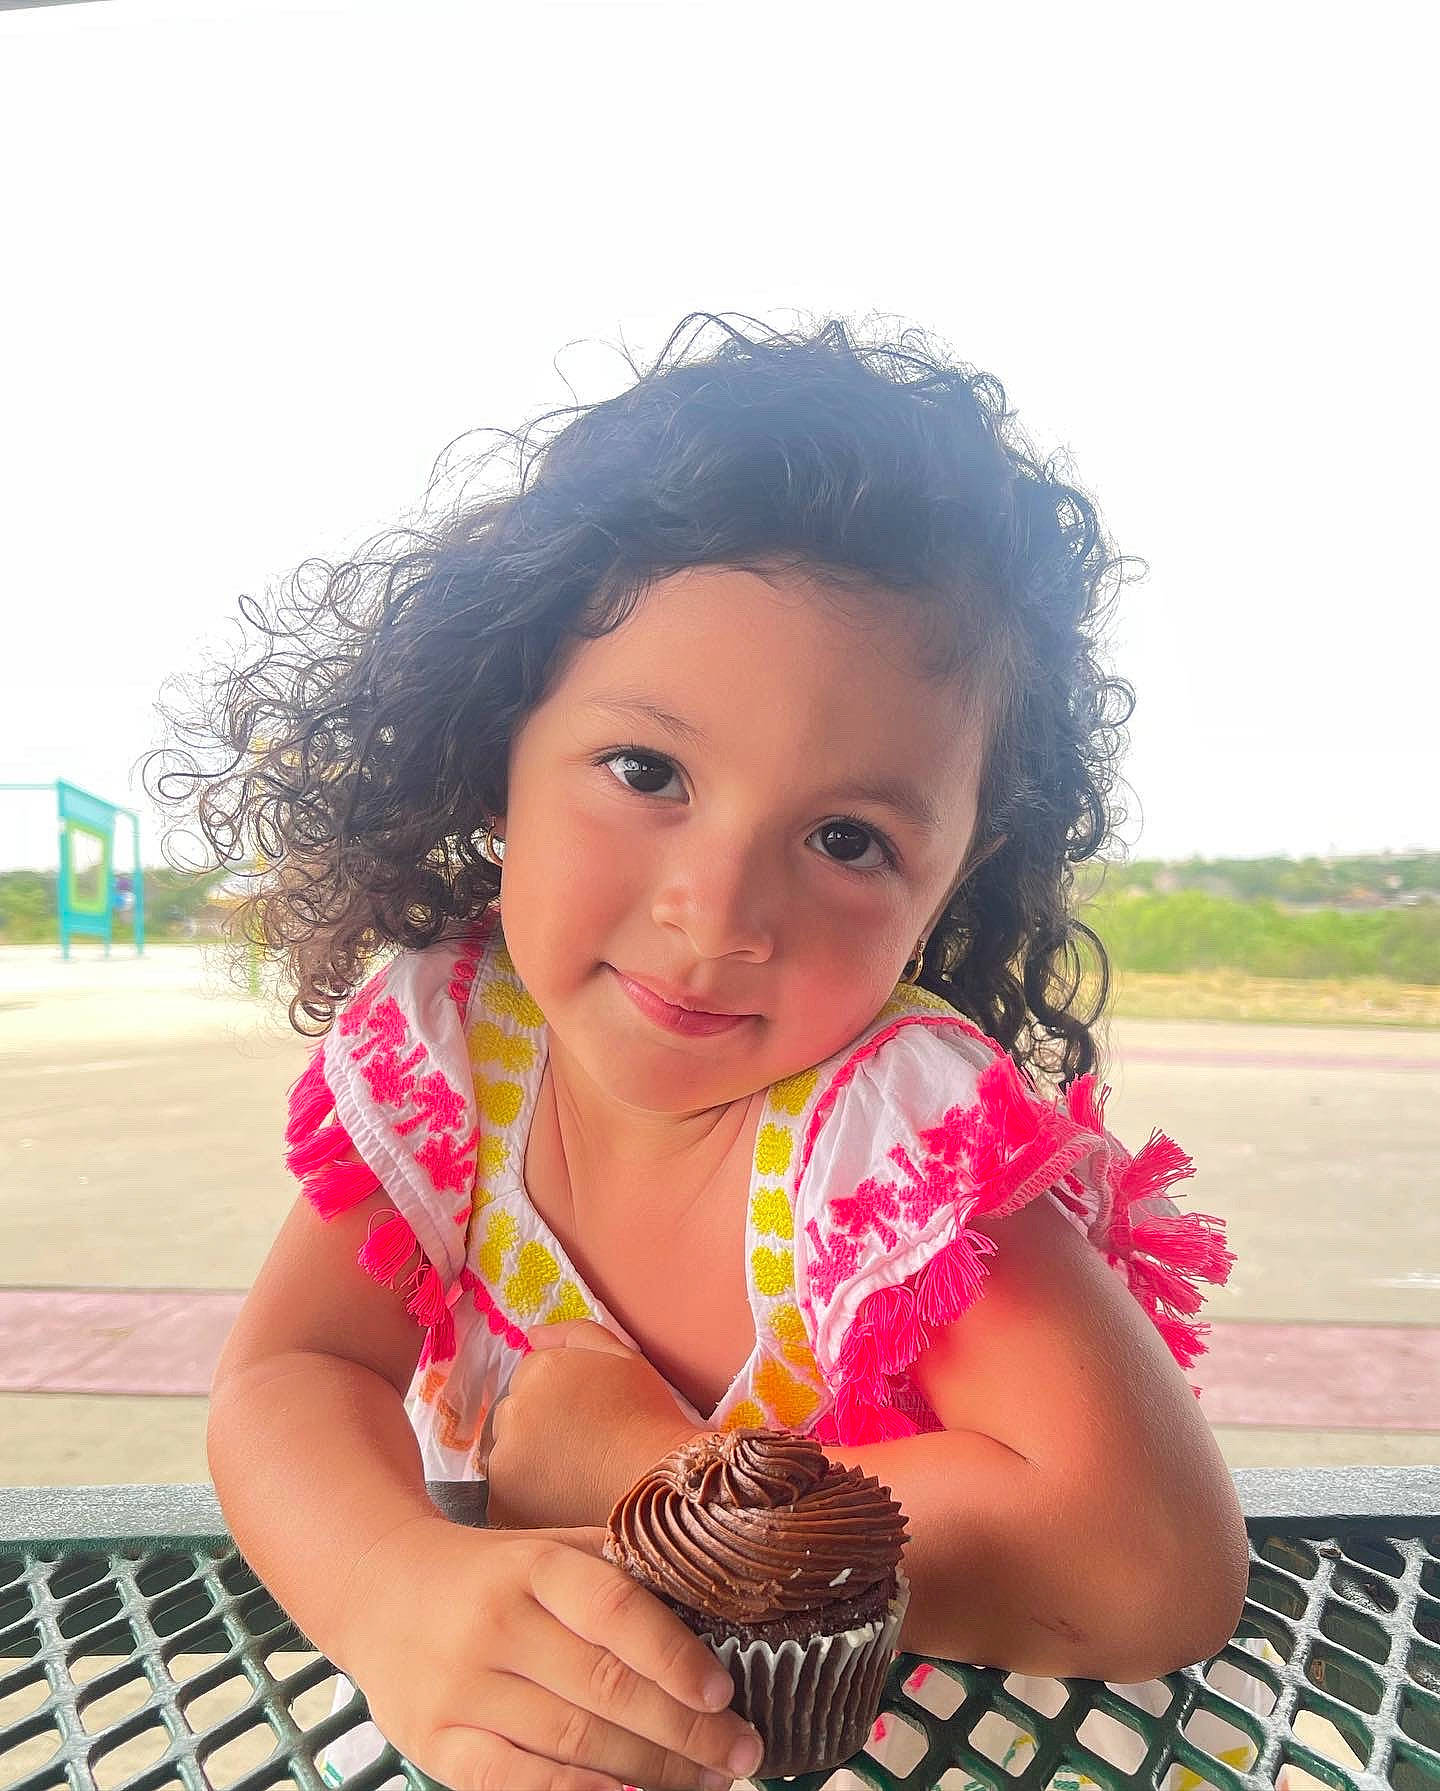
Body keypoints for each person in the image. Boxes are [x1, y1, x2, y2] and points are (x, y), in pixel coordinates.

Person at [154, 314, 1250, 1791]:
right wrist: (385, 1590)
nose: (718, 915)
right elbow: (287, 1371)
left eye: (848, 839)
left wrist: (641, 1473)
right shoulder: (459, 1050)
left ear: (954, 868)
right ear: (506, 732)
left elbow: (1149, 1570)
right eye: (646, 771)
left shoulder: (886, 1139)